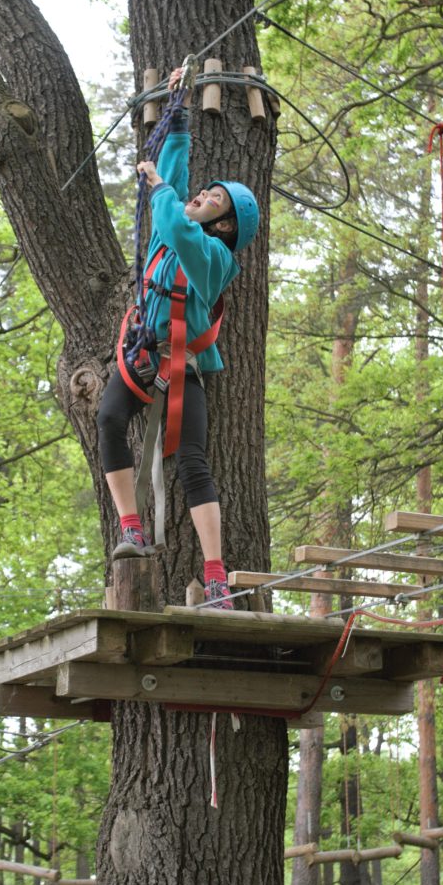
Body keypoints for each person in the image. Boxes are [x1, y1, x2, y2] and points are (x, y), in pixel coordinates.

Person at [97, 67, 259, 609]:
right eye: (202, 193)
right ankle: (132, 527)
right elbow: (171, 178)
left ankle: (216, 574)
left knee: (192, 462)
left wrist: (164, 189)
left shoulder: (214, 256)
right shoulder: (173, 238)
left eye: (214, 200)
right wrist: (180, 112)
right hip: (141, 350)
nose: (201, 197)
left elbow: (173, 219)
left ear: (226, 226)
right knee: (108, 419)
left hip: (181, 366)